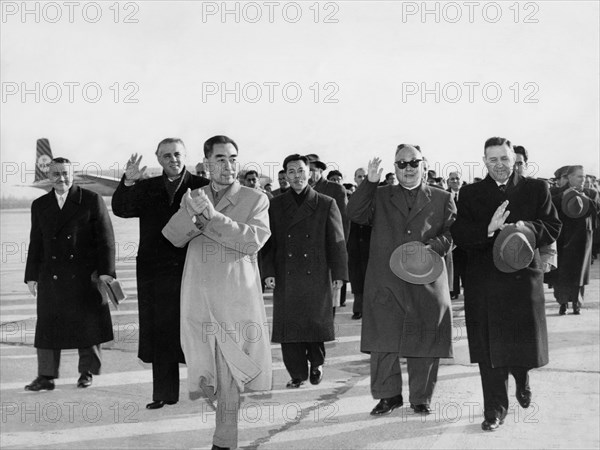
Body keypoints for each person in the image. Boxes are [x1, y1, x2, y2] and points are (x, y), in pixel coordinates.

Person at [162, 135, 272, 450]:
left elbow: (252, 241)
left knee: (230, 370)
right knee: (203, 371)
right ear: (207, 162)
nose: (228, 165)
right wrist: (191, 214)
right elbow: (172, 237)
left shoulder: (256, 199)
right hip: (197, 296)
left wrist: (212, 218)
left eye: (233, 158)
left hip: (234, 299)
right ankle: (223, 419)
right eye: (220, 158)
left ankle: (224, 441)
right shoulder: (192, 196)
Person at [451, 137, 561, 431]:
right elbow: (459, 233)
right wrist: (488, 229)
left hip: (522, 279)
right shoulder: (471, 193)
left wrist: (525, 228)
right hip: (484, 282)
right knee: (489, 350)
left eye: (504, 158)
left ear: (515, 159)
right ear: (484, 161)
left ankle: (522, 377)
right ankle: (495, 409)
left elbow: (553, 226)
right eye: (492, 159)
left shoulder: (536, 188)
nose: (499, 165)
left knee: (520, 346)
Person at [347, 144, 456, 416]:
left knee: (425, 339)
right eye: (401, 163)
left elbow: (454, 232)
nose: (408, 168)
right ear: (394, 168)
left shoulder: (442, 197)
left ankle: (421, 397)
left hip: (426, 278)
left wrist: (436, 247)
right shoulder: (380, 195)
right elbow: (354, 213)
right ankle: (388, 396)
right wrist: (370, 182)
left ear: (424, 165)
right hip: (386, 279)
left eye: (413, 162)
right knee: (383, 340)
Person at [112, 138, 209, 409]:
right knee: (161, 332)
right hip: (154, 271)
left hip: (192, 268)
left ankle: (209, 390)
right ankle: (164, 393)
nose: (173, 159)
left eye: (177, 154)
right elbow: (121, 209)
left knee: (197, 331)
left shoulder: (202, 187)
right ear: (158, 159)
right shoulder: (146, 187)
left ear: (185, 155)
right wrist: (128, 182)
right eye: (166, 155)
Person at [24, 157, 116, 391]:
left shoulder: (91, 200)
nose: (61, 178)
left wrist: (106, 272)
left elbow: (106, 239)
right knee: (46, 326)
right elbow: (36, 242)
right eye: (55, 174)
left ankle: (87, 372)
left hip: (84, 274)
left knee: (88, 324)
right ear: (49, 176)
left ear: (72, 174)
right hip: (51, 274)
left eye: (65, 173)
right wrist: (31, 275)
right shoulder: (40, 205)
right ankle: (46, 376)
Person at [262, 154, 348, 389]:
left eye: (301, 171)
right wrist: (267, 271)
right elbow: (268, 243)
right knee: (289, 326)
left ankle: (317, 363)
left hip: (317, 271)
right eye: (291, 172)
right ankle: (297, 373)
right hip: (285, 271)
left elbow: (337, 241)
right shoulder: (276, 204)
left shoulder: (326, 203)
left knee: (314, 322)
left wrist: (339, 274)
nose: (297, 176)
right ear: (285, 176)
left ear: (309, 173)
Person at [551, 165, 600, 315]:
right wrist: (563, 195)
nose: (583, 179)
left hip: (582, 238)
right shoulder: (556, 192)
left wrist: (585, 198)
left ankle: (577, 303)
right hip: (563, 237)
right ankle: (563, 303)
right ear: (569, 177)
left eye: (584, 176)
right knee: (562, 272)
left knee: (579, 272)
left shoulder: (591, 192)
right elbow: (549, 207)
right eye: (579, 176)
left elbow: (596, 210)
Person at [347, 167, 371, 320]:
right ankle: (358, 307)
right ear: (355, 179)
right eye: (359, 176)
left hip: (371, 242)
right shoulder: (349, 197)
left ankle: (370, 308)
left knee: (371, 276)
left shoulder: (377, 196)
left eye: (364, 176)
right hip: (354, 242)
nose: (362, 179)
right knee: (356, 276)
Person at [447, 171, 466, 299]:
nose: (454, 181)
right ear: (448, 182)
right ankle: (453, 291)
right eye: (452, 179)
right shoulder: (444, 195)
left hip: (465, 238)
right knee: (453, 265)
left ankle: (467, 289)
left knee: (465, 265)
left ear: (461, 180)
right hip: (451, 237)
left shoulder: (468, 195)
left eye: (457, 178)